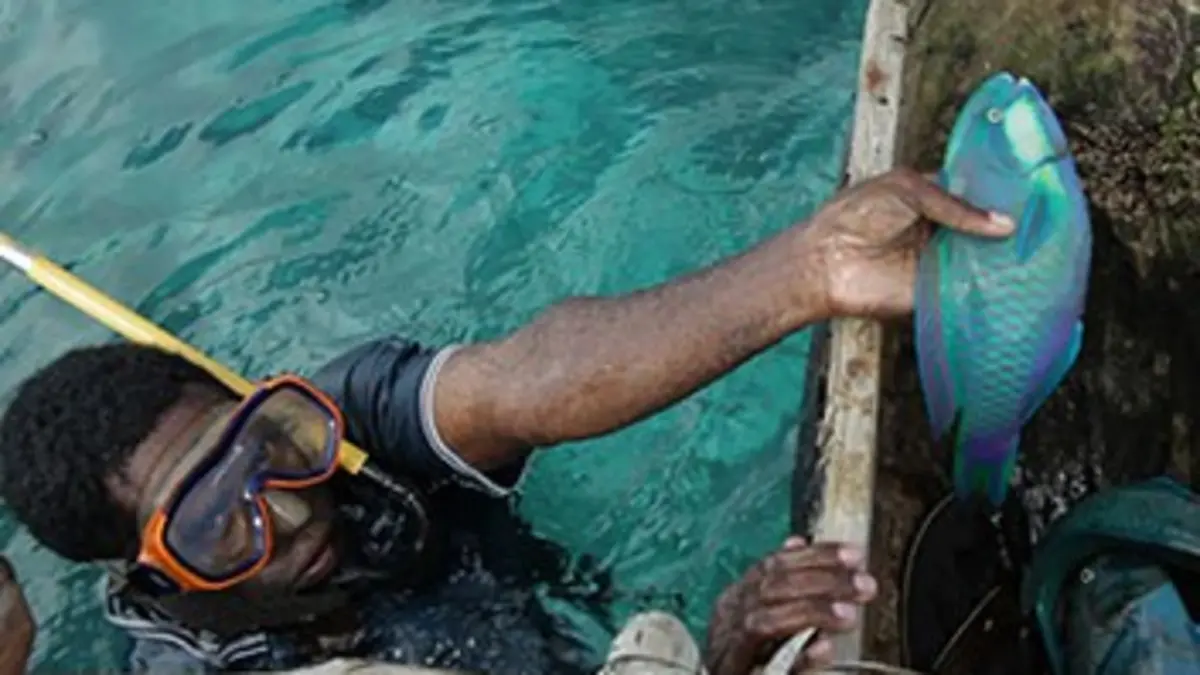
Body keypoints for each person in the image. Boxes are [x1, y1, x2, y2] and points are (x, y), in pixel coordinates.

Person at [0, 169, 1015, 675]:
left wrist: (808, 270)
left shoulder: (349, 434)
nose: (300, 517)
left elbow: (527, 376)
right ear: (149, 577)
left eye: (272, 447)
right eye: (219, 523)